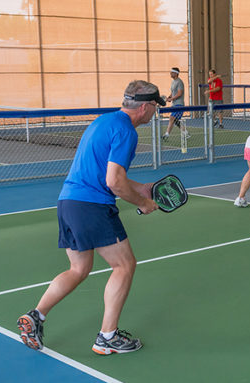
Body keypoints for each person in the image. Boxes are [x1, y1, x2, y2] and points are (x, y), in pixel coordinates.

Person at [18, 80, 165, 355]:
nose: (156, 112)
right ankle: (107, 337)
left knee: (79, 269)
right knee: (124, 265)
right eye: (156, 107)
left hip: (68, 202)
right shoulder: (127, 132)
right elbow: (113, 182)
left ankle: (36, 316)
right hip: (92, 206)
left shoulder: (104, 121)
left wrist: (141, 187)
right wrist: (143, 202)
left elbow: (107, 172)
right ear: (145, 107)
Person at [162, 67, 188, 140]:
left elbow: (179, 93)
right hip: (174, 104)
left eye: (172, 72)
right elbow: (173, 92)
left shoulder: (179, 82)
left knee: (171, 118)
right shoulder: (173, 82)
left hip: (179, 104)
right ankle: (186, 133)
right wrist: (169, 97)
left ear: (176, 73)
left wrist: (172, 98)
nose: (170, 73)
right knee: (176, 121)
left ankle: (167, 134)